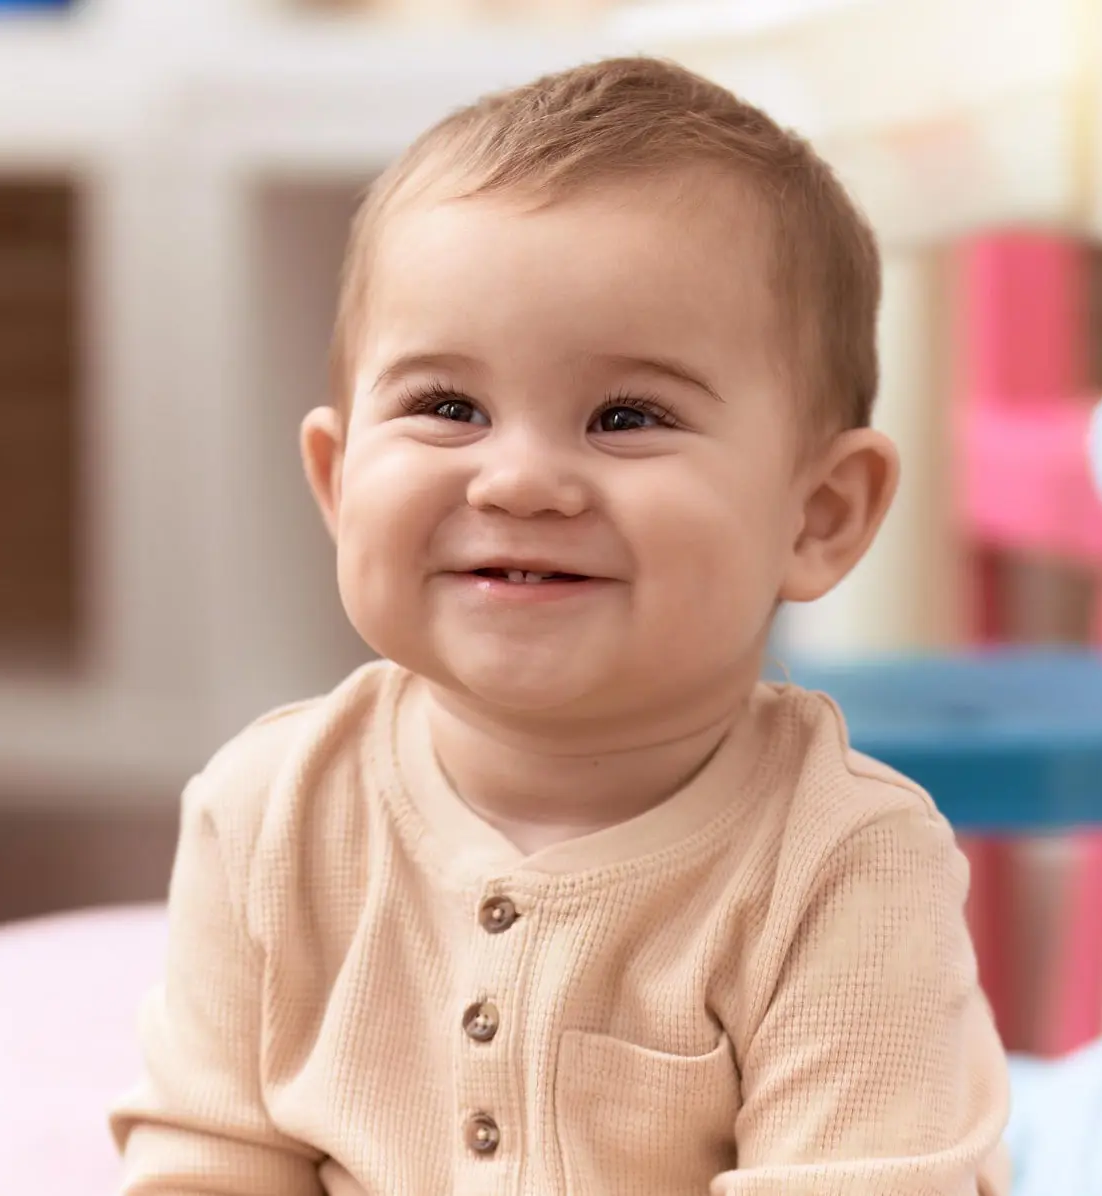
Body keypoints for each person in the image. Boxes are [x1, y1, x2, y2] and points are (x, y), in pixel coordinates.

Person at [110, 55, 1011, 1195]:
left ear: (817, 514)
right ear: (338, 480)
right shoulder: (265, 812)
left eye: (626, 416)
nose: (521, 480)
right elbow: (207, 1159)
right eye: (448, 407)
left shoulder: (844, 865)